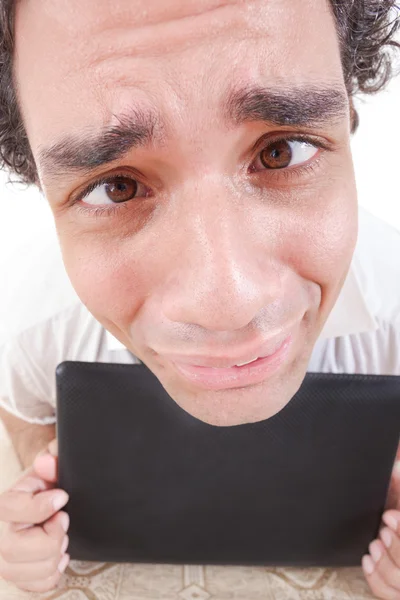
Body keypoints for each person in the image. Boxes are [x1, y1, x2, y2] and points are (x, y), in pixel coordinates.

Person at [0, 0, 399, 596]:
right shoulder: (32, 321)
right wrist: (34, 517)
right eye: (118, 186)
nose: (227, 305)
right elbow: (27, 415)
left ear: (348, 113)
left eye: (280, 150)